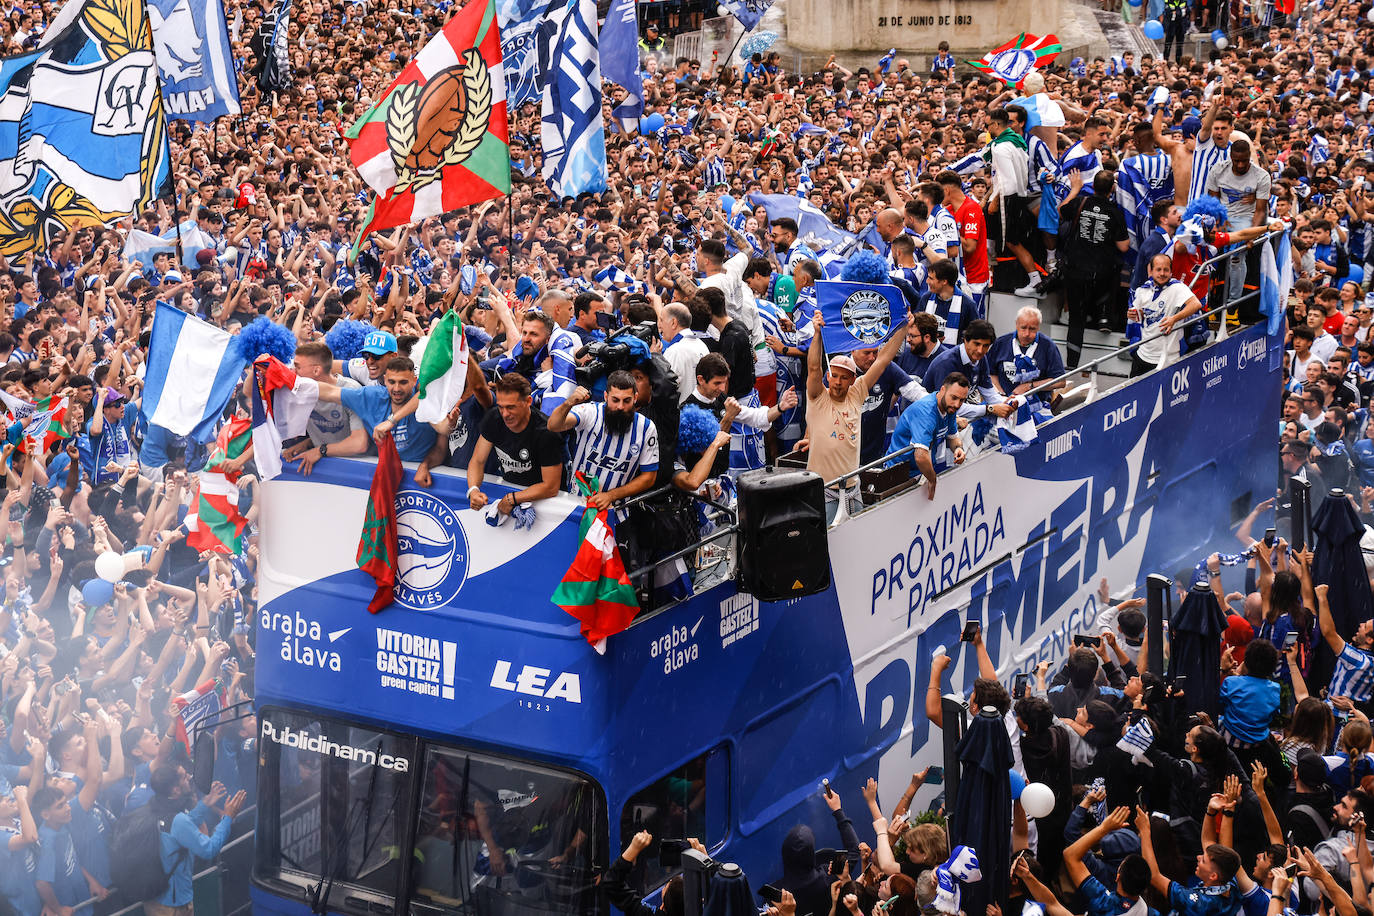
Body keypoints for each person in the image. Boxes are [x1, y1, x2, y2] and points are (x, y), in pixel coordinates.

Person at [802, 310, 908, 495]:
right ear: (827, 376)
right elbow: (813, 368)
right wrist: (817, 334)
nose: (837, 381)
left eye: (844, 377)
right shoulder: (818, 398)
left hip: (853, 487)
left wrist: (904, 326)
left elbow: (883, 360)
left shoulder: (857, 393)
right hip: (825, 489)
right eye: (834, 376)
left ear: (853, 379)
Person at [313, 355, 450, 486]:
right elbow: (330, 392)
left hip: (423, 480)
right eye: (391, 382)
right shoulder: (371, 397)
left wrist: (425, 465)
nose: (396, 389)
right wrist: (295, 382)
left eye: (403, 382)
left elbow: (441, 444)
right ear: (385, 380)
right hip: (384, 479)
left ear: (414, 381)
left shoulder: (426, 402)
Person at [547, 374, 660, 512]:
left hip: (616, 512)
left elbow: (649, 477)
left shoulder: (647, 428)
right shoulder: (590, 412)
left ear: (635, 398)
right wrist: (569, 403)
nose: (620, 406)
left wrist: (611, 496)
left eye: (627, 401)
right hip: (576, 507)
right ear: (606, 396)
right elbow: (553, 425)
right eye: (615, 400)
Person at [146, 766, 246, 916]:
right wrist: (228, 818)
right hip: (173, 906)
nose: (189, 778)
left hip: (157, 899)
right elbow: (209, 849)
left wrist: (205, 803)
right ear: (175, 790)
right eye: (184, 777)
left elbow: (183, 825)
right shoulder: (177, 819)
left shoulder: (156, 807)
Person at [465, 373, 563, 520]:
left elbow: (550, 487)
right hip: (509, 488)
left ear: (528, 401)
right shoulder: (493, 418)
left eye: (511, 407)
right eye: (501, 407)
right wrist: (473, 490)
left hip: (544, 504)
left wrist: (512, 499)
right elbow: (478, 460)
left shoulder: (546, 432)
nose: (505, 414)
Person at [887, 373, 968, 499]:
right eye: (954, 398)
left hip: (920, 472)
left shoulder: (949, 407)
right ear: (942, 390)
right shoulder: (926, 412)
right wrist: (933, 479)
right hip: (898, 475)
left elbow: (953, 438)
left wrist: (958, 449)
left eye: (962, 400)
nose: (957, 404)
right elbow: (920, 456)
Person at [1129, 254, 1207, 376]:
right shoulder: (1143, 290)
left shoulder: (1177, 287)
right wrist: (1133, 314)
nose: (1162, 273)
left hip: (1168, 359)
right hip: (1143, 355)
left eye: (1166, 270)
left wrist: (1174, 319)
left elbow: (1196, 304)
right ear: (1151, 271)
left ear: (1171, 272)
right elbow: (1139, 316)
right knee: (1132, 394)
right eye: (1158, 269)